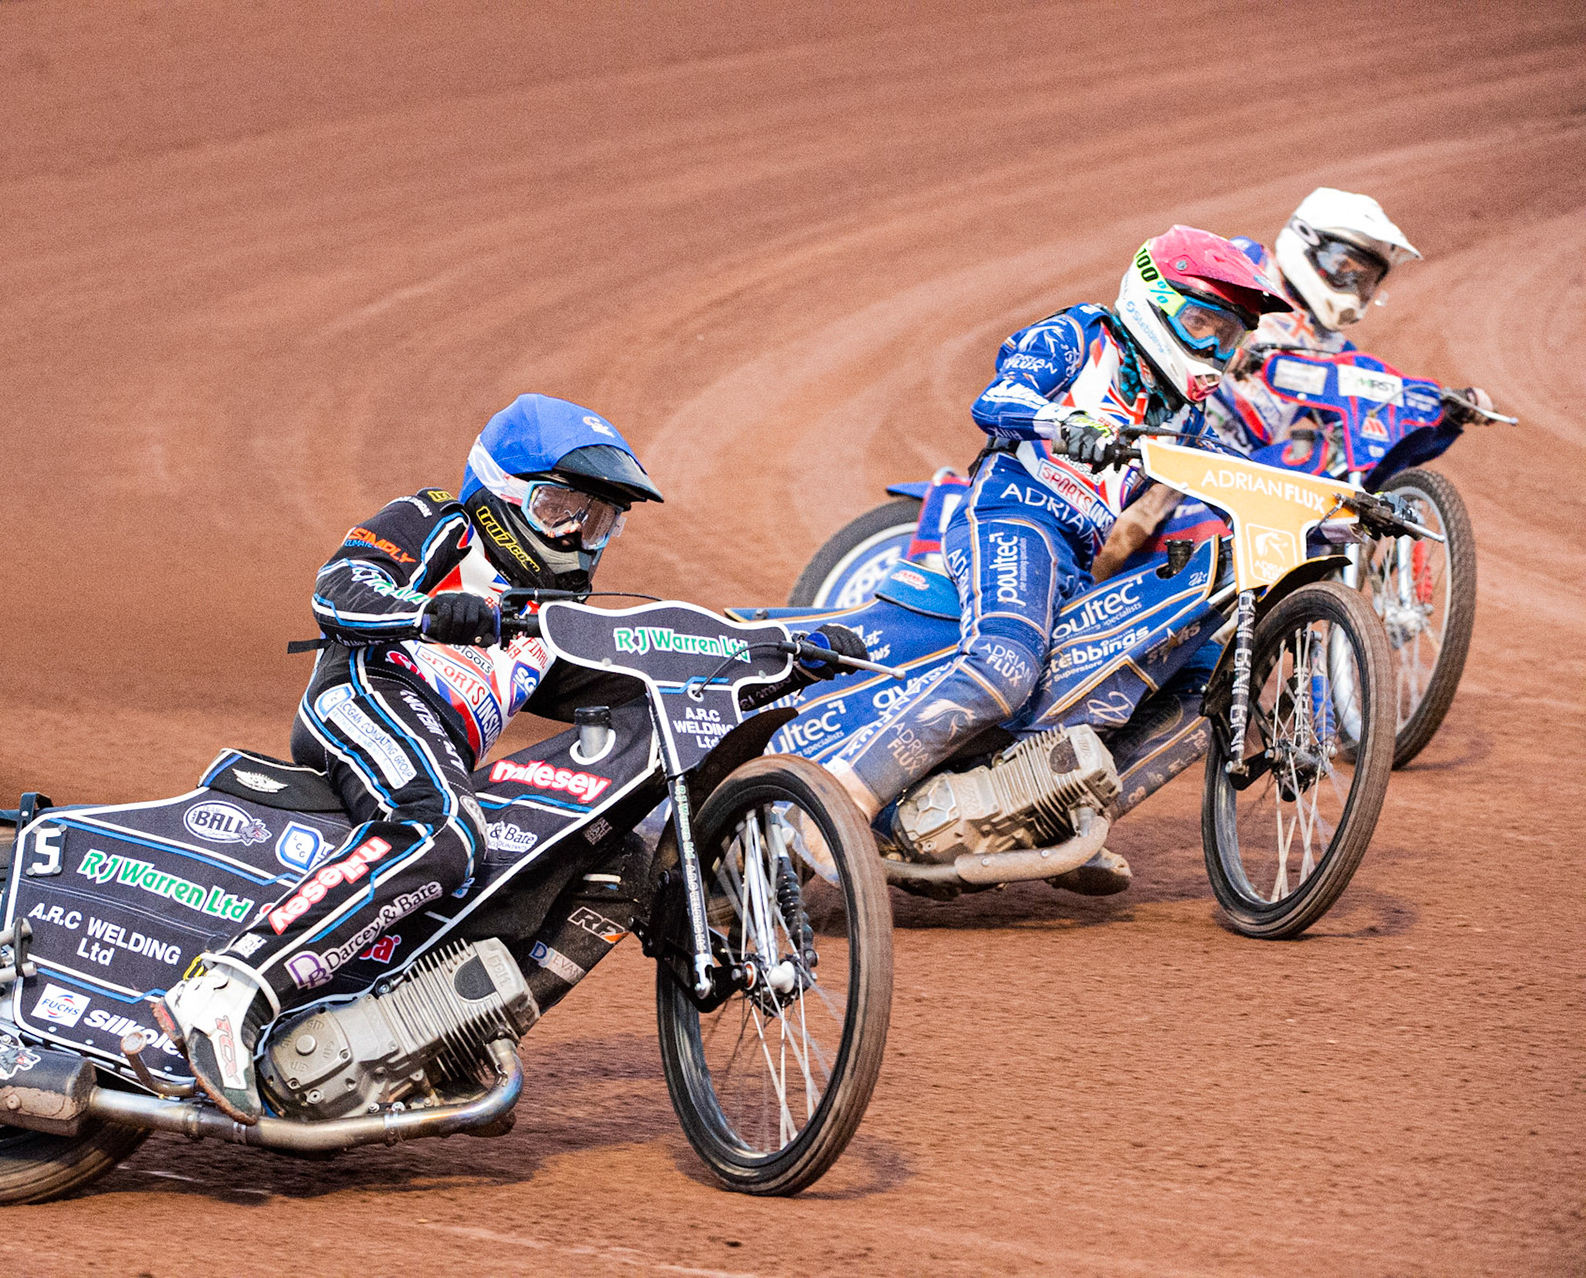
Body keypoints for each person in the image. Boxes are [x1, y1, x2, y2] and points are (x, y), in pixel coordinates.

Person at [153, 393, 860, 1121]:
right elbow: (337, 591)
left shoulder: (544, 627)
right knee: (444, 834)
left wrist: (781, 654)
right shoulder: (437, 521)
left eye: (599, 520)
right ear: (502, 498)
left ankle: (443, 1041)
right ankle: (231, 987)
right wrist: (426, 611)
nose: (580, 537)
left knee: (608, 852)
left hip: (436, 745)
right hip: (367, 694)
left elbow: (656, 669)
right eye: (561, 510)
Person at [824, 227, 1291, 889]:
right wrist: (1061, 423)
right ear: (1151, 300)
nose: (1215, 349)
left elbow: (1237, 474)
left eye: (1229, 337)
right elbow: (995, 400)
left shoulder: (1181, 413)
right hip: (1014, 513)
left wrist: (1333, 509)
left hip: (1078, 558)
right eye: (1202, 325)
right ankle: (841, 799)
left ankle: (1051, 821)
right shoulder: (1082, 334)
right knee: (1006, 664)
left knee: (1191, 686)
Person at [1206, 187, 1494, 467]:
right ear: (1308, 241)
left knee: (1345, 448)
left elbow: (1375, 441)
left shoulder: (1333, 351)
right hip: (1181, 420)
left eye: (1365, 279)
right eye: (1344, 268)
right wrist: (1227, 350)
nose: (1354, 287)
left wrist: (1447, 415)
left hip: (1239, 468)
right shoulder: (1251, 263)